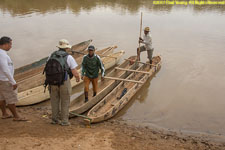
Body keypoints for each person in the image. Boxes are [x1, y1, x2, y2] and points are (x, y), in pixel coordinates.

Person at [44, 39, 80, 126]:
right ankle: (64, 121)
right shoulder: (69, 57)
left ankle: (55, 119)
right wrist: (77, 78)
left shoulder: (51, 55)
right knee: (65, 101)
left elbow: (46, 67)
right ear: (66, 48)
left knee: (54, 101)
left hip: (52, 82)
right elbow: (74, 71)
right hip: (64, 81)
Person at [0, 36, 26, 121]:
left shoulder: (2, 53)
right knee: (11, 98)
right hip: (5, 80)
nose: (11, 46)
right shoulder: (2, 54)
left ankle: (4, 114)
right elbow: (5, 69)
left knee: (2, 98)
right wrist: (13, 81)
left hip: (1, 79)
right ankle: (16, 116)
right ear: (5, 44)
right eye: (10, 44)